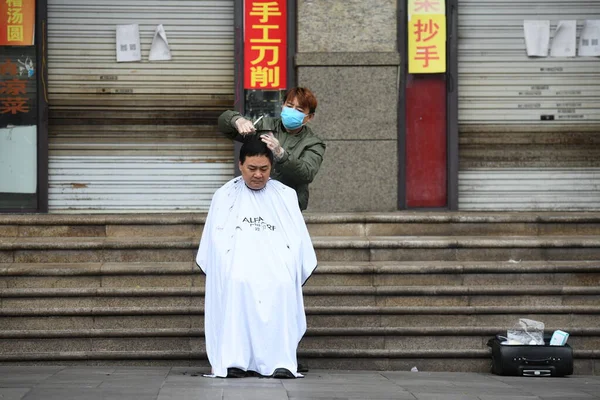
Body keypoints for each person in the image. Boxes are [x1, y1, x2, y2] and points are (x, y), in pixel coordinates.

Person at [196, 137, 318, 379]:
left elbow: (297, 240)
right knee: (235, 281)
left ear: (271, 167)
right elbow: (215, 241)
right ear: (240, 165)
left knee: (283, 284)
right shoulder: (223, 196)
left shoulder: (285, 195)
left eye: (264, 169)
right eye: (252, 169)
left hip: (277, 265)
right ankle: (233, 360)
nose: (258, 175)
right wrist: (228, 265)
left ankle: (280, 361)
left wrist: (287, 265)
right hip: (237, 265)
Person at [218, 87, 326, 211]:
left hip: (287, 205)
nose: (292, 111)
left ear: (310, 117)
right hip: (254, 199)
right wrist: (237, 120)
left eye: (299, 110)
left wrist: (281, 154)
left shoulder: (313, 143)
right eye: (289, 106)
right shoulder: (264, 125)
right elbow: (224, 125)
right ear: (282, 105)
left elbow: (307, 173)